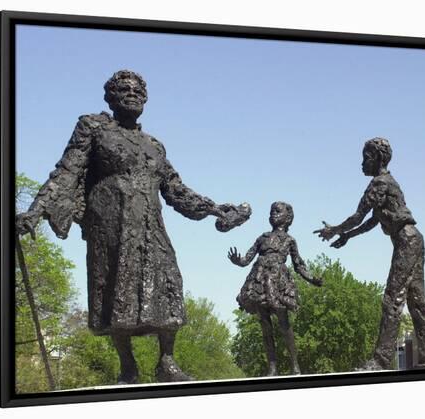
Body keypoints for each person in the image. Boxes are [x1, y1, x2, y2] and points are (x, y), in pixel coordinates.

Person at [16, 70, 250, 384]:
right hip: (110, 226)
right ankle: (128, 365)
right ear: (110, 97)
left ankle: (166, 361)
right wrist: (35, 211)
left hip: (150, 225)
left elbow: (176, 190)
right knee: (116, 290)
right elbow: (67, 171)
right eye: (124, 90)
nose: (132, 95)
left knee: (169, 285)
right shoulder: (94, 128)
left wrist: (214, 209)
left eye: (139, 91)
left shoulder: (154, 145)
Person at [314, 137, 425, 370]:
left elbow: (358, 216)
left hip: (406, 242)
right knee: (417, 300)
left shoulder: (379, 184)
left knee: (392, 299)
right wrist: (348, 236)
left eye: (366, 158)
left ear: (378, 159)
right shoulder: (390, 183)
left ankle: (380, 360)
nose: (362, 163)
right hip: (414, 240)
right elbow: (373, 221)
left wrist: (335, 230)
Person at [228, 202, 322, 376]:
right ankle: (272, 367)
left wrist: (312, 279)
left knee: (284, 324)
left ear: (287, 218)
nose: (273, 215)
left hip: (278, 282)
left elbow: (299, 265)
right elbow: (247, 259)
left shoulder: (289, 240)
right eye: (271, 212)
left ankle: (295, 366)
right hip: (259, 281)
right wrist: (237, 260)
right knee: (265, 326)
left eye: (277, 212)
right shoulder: (262, 238)